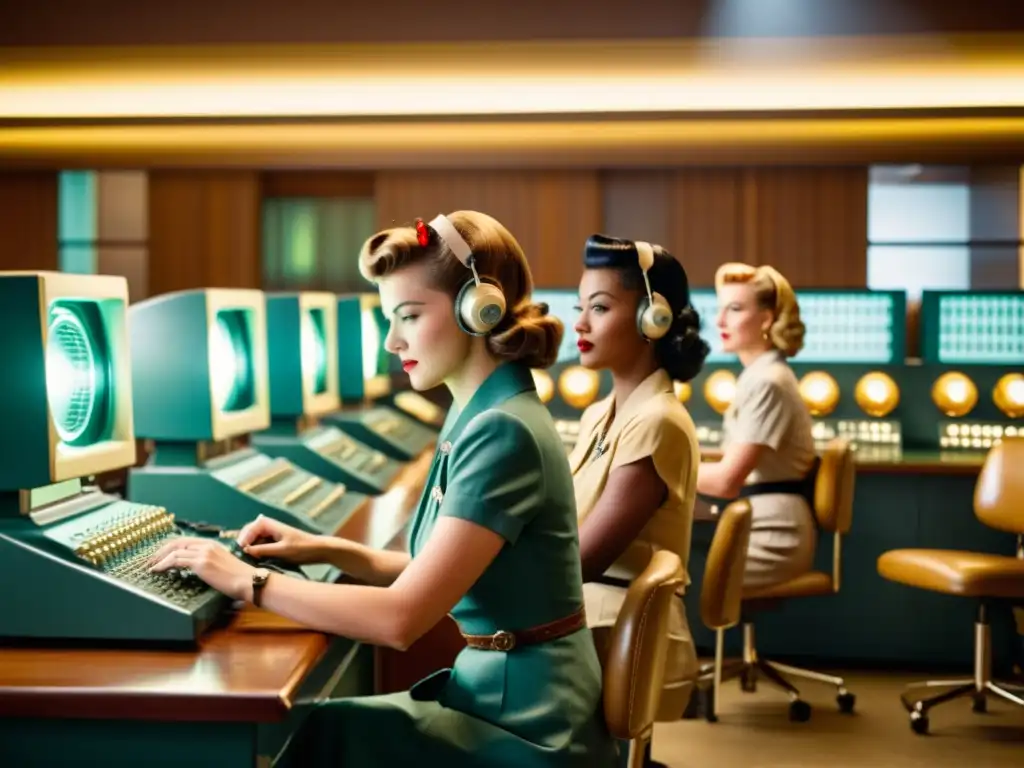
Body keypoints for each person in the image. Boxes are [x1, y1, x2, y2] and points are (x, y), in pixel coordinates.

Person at [149, 211, 617, 767]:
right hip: (508, 691)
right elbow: (444, 575)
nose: (394, 341)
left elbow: (402, 621)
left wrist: (244, 580)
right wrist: (323, 549)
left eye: (410, 316)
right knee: (329, 726)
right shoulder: (480, 411)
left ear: (478, 309)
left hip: (530, 723)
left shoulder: (502, 431)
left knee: (325, 731)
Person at [568, 234, 709, 723]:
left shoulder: (659, 421)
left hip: (616, 627)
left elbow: (581, 559)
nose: (580, 324)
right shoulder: (598, 416)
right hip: (589, 618)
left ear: (656, 318)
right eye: (579, 307)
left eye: (600, 308)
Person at [696, 261, 816, 589]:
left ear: (767, 318)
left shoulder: (769, 382)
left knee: (663, 577)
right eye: (721, 309)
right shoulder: (758, 376)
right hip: (753, 521)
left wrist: (660, 469)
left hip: (773, 537)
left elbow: (725, 482)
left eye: (734, 309)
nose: (720, 321)